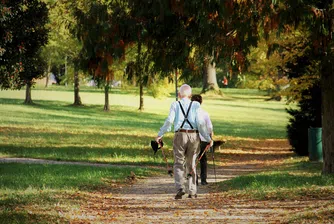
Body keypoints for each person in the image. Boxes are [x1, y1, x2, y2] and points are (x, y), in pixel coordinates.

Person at [155, 84, 213, 200]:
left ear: (179, 95)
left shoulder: (175, 104)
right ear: (190, 95)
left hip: (179, 135)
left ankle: (180, 188)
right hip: (193, 135)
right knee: (191, 163)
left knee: (178, 162)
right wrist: (208, 138)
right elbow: (201, 123)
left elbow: (169, 121)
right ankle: (192, 191)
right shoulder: (196, 105)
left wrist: (160, 134)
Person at [191, 94, 213, 186]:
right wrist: (211, 139)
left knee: (193, 159)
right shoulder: (205, 113)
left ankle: (194, 180)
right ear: (201, 102)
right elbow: (210, 127)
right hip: (204, 139)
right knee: (203, 159)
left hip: (192, 138)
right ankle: (203, 180)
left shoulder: (190, 113)